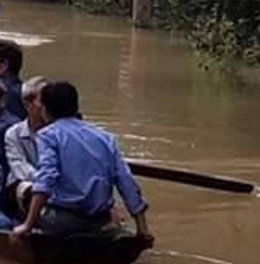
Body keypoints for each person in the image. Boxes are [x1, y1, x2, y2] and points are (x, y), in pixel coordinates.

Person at [11, 82, 154, 243]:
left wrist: (27, 225)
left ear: (45, 109)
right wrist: (142, 228)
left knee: (18, 190)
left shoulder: (47, 135)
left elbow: (46, 180)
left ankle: (27, 230)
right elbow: (126, 180)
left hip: (62, 220)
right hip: (100, 217)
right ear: (76, 106)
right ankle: (113, 230)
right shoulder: (105, 137)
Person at [4, 75, 49, 210]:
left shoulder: (58, 132)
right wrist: (46, 180)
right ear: (27, 105)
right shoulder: (14, 133)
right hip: (23, 187)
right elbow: (20, 168)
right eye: (43, 101)